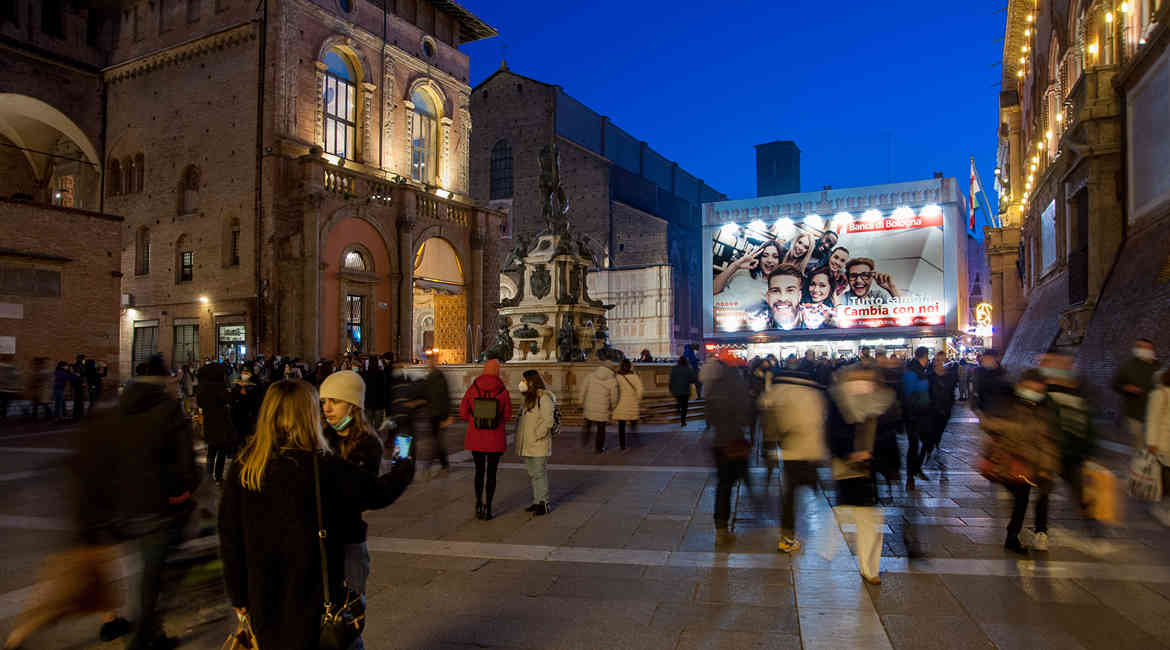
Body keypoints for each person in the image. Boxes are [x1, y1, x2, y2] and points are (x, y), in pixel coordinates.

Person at [218, 380, 414, 650]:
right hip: (313, 595)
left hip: (262, 593)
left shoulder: (245, 467)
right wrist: (404, 464)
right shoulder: (322, 465)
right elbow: (377, 493)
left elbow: (230, 537)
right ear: (306, 415)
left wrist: (238, 595)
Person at [117, 355, 199, 649]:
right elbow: (185, 464)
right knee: (158, 572)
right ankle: (145, 635)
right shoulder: (168, 410)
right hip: (161, 505)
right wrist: (187, 491)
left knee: (142, 568)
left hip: (128, 503)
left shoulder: (123, 408)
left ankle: (146, 628)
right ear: (164, 382)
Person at [319, 370, 383, 649]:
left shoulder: (367, 444)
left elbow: (361, 496)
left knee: (347, 621)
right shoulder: (321, 437)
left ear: (353, 404)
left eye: (335, 401)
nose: (327, 408)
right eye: (323, 402)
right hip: (322, 541)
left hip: (349, 542)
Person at [978, 369, 1061, 554]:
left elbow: (1048, 437)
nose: (1034, 392)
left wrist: (1048, 465)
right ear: (1022, 385)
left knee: (1035, 497)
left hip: (1035, 460)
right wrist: (1012, 429)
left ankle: (1034, 533)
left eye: (1038, 389)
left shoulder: (1046, 406)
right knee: (1021, 498)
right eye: (1030, 387)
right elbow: (987, 422)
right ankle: (1013, 536)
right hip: (1012, 460)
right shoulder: (1007, 401)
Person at [827, 365, 893, 583]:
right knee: (845, 513)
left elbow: (888, 436)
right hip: (847, 467)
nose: (862, 383)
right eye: (857, 378)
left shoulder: (880, 403)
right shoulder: (838, 403)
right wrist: (850, 454)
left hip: (868, 469)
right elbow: (832, 436)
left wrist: (880, 460)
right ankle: (826, 548)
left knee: (868, 518)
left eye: (867, 378)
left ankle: (870, 569)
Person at [758, 358, 827, 553]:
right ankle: (826, 536)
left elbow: (765, 408)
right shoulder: (814, 393)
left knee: (789, 494)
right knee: (810, 489)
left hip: (789, 451)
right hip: (809, 450)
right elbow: (820, 421)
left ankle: (787, 537)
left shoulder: (778, 392)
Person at [704, 352, 752, 546]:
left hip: (719, 442)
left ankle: (721, 526)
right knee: (738, 481)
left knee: (723, 485)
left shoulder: (715, 386)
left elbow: (709, 415)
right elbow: (746, 414)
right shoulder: (739, 385)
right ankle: (757, 513)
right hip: (735, 442)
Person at [459, 359, 512, 520]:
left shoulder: (473, 388)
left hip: (476, 437)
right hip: (495, 438)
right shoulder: (502, 391)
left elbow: (462, 412)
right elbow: (508, 415)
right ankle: (488, 507)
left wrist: (473, 420)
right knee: (491, 473)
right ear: (497, 371)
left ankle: (477, 503)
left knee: (479, 471)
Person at [515, 369, 555, 515]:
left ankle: (544, 503)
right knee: (533, 473)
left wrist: (537, 435)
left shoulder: (544, 398)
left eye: (524, 380)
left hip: (538, 444)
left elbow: (548, 421)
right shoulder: (527, 398)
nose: (522, 383)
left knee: (539, 473)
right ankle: (537, 501)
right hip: (527, 444)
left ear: (531, 381)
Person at [196, 362, 238, 484]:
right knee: (222, 450)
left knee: (211, 449)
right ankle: (218, 476)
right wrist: (237, 390)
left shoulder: (203, 386)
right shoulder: (218, 386)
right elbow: (229, 399)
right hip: (221, 422)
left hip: (209, 421)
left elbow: (199, 403)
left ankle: (209, 473)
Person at [1113, 338, 1158, 449]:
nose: (1145, 350)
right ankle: (1139, 464)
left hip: (1154, 413)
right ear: (1136, 349)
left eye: (1148, 348)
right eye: (1141, 347)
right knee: (1139, 446)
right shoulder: (1127, 366)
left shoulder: (1158, 366)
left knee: (1153, 445)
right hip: (1134, 414)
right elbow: (1114, 384)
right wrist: (1126, 388)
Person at [902, 347, 933, 490]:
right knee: (914, 445)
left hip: (923, 414)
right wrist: (911, 413)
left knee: (926, 442)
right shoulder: (911, 373)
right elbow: (908, 396)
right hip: (914, 415)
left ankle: (916, 469)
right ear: (924, 357)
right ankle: (910, 476)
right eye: (927, 357)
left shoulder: (922, 372)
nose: (928, 360)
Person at [713, 239, 783, 299]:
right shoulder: (742, 272)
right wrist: (736, 265)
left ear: (779, 261)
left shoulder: (774, 289)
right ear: (760, 258)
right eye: (765, 255)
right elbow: (712, 290)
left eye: (775, 256)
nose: (769, 260)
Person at [923, 352, 957, 471]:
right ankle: (930, 446)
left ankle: (935, 443)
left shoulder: (950, 376)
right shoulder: (929, 376)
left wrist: (950, 404)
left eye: (941, 360)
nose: (937, 363)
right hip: (932, 408)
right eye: (936, 360)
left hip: (945, 408)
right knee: (932, 429)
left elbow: (951, 392)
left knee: (940, 429)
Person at [1145, 369, 1170, 525]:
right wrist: (1152, 442)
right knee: (1165, 475)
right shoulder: (1160, 394)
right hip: (1163, 443)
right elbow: (1152, 419)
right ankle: (1159, 506)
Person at [422, 353, 452, 473]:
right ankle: (444, 464)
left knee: (435, 441)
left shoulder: (438, 376)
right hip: (432, 413)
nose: (429, 363)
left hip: (439, 414)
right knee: (436, 440)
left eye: (431, 361)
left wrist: (447, 416)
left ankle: (430, 465)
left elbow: (445, 396)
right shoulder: (429, 376)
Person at [580, 362, 619, 453]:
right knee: (601, 429)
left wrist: (581, 401)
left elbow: (583, 389)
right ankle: (599, 448)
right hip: (603, 407)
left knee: (588, 422)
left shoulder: (590, 376)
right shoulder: (612, 380)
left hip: (589, 405)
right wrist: (613, 406)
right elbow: (614, 396)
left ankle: (585, 438)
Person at [612, 359, 643, 452]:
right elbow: (640, 390)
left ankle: (622, 445)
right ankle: (636, 441)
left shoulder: (617, 377)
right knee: (633, 423)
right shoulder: (635, 377)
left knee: (621, 426)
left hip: (620, 404)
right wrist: (637, 399)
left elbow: (613, 391)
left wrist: (613, 403)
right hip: (632, 403)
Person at [765, 264, 804, 330]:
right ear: (767, 297)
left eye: (790, 290)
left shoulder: (820, 317)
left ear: (799, 295)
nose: (783, 298)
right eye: (775, 291)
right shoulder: (757, 322)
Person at [798, 265, 838, 329]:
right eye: (812, 284)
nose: (815, 290)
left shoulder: (834, 312)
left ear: (831, 288)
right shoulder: (799, 308)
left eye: (822, 285)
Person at [670, 357, 698, 426]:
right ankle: (683, 421)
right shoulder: (688, 369)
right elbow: (692, 379)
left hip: (676, 390)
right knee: (684, 407)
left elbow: (671, 379)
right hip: (685, 390)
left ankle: (678, 408)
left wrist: (671, 388)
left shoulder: (674, 368)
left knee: (679, 401)